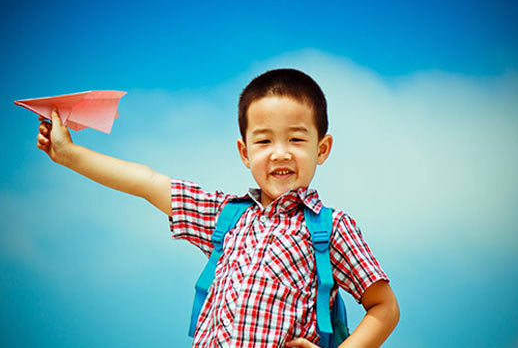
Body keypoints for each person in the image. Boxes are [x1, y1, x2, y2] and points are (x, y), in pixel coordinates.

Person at [36, 68, 399, 347]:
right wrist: (69, 155)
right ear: (245, 153)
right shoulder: (226, 216)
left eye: (296, 138)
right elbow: (147, 182)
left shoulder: (330, 228)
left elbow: (385, 308)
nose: (280, 152)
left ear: (322, 148)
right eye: (264, 140)